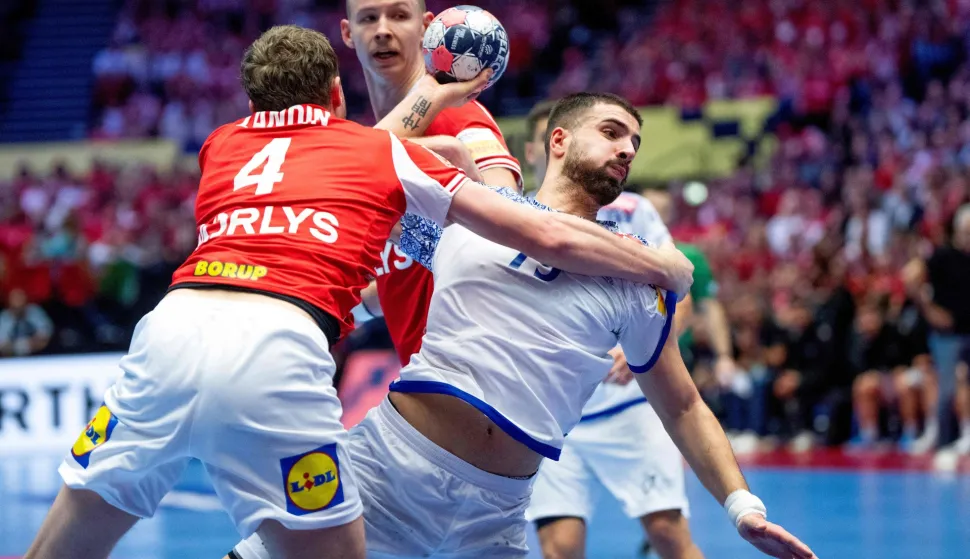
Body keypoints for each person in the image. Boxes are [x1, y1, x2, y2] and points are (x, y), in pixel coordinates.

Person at [24, 27, 696, 559]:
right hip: (276, 346)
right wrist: (662, 265)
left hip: (169, 329)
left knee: (72, 534)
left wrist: (424, 95)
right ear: (336, 96)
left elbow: (330, 160)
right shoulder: (379, 152)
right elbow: (544, 234)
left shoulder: (219, 146)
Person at [234, 92, 814, 559]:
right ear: (557, 141)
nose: (627, 148)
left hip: (497, 513)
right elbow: (369, 238)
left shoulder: (637, 276)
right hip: (386, 471)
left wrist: (743, 508)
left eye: (635, 141)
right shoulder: (465, 210)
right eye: (612, 131)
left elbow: (683, 405)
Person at [525, 102, 735, 559]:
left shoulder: (633, 210)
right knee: (558, 548)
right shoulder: (511, 213)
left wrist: (643, 349)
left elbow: (679, 296)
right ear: (539, 146)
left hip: (627, 410)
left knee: (668, 535)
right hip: (552, 416)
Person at [339, 0, 524, 366]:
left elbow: (509, 226)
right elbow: (400, 277)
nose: (382, 30)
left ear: (426, 27)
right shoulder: (374, 141)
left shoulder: (460, 117)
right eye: (369, 18)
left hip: (473, 369)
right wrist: (341, 313)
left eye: (398, 15)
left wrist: (407, 227)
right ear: (348, 33)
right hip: (426, 372)